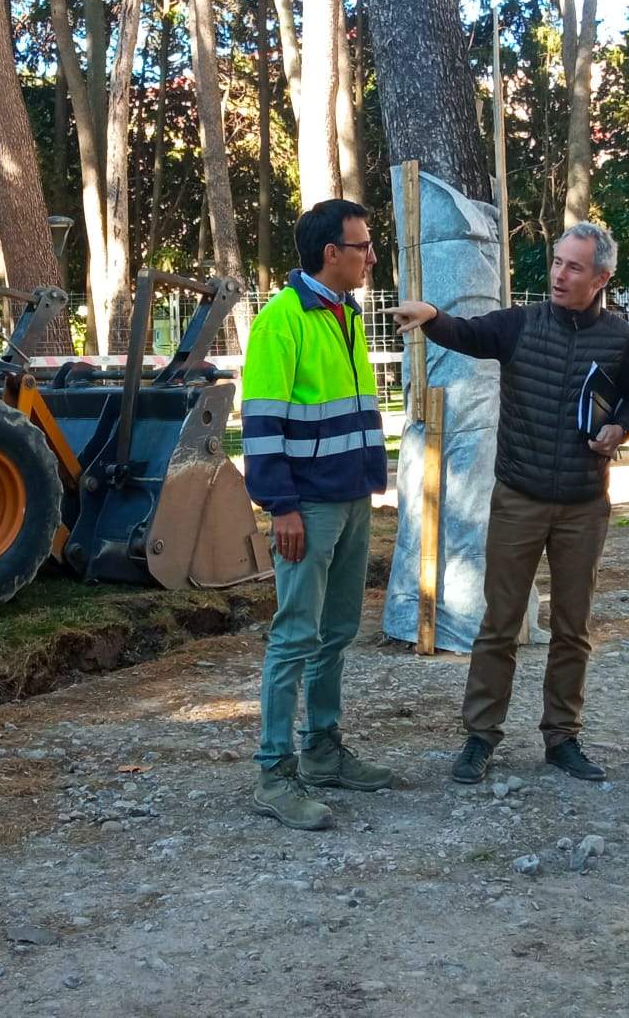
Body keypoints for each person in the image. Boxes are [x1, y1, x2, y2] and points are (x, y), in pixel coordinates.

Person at [388, 221, 629, 785]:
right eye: (557, 262)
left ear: (602, 277)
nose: (558, 273)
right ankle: (480, 737)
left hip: (584, 505)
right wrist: (431, 315)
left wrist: (621, 429)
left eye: (573, 266)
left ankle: (563, 738)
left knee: (573, 629)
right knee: (499, 625)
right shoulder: (519, 325)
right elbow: (466, 332)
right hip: (518, 499)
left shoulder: (621, 339)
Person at [241, 198, 394, 830]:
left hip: (351, 497)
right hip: (306, 506)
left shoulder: (344, 313)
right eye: (362, 247)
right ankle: (275, 773)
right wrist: (281, 506)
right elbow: (261, 422)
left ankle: (324, 750)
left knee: (336, 632)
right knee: (295, 635)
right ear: (331, 253)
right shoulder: (284, 320)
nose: (370, 257)